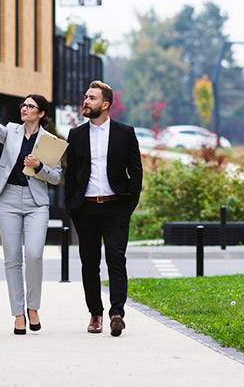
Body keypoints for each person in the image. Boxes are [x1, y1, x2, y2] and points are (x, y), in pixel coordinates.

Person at [0, 77, 63, 335]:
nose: (24, 108)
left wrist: (39, 167)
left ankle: (34, 307)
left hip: (36, 203)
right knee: (12, 260)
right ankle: (19, 314)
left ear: (41, 113)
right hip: (7, 198)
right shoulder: (11, 130)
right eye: (23, 105)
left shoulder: (51, 141)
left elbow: (57, 177)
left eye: (30, 106)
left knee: (33, 255)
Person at [65, 80, 142, 336]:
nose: (86, 101)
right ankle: (95, 314)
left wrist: (129, 203)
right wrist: (71, 206)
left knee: (116, 259)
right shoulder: (75, 135)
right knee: (89, 263)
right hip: (85, 209)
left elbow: (136, 172)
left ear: (105, 105)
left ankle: (116, 313)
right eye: (86, 97)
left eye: (92, 98)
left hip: (116, 207)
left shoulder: (125, 133)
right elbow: (72, 172)